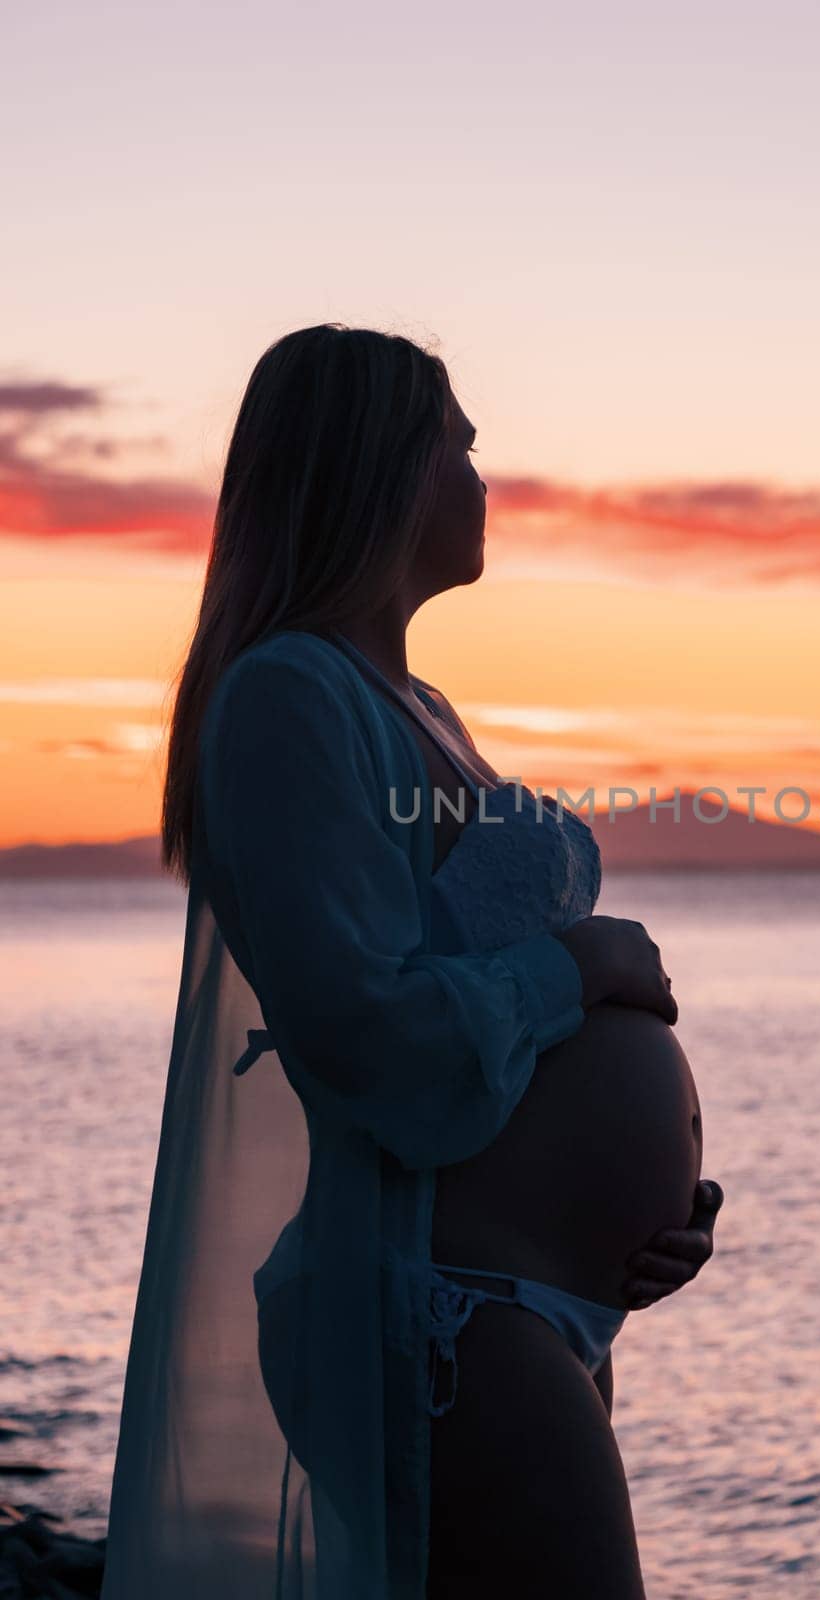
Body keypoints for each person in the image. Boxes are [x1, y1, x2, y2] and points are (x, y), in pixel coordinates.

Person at [101, 323, 724, 1599]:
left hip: (512, 1303)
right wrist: (583, 968)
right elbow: (355, 1032)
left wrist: (640, 1222)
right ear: (382, 466)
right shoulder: (290, 694)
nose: (484, 479)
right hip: (426, 1305)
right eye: (461, 445)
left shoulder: (413, 705)